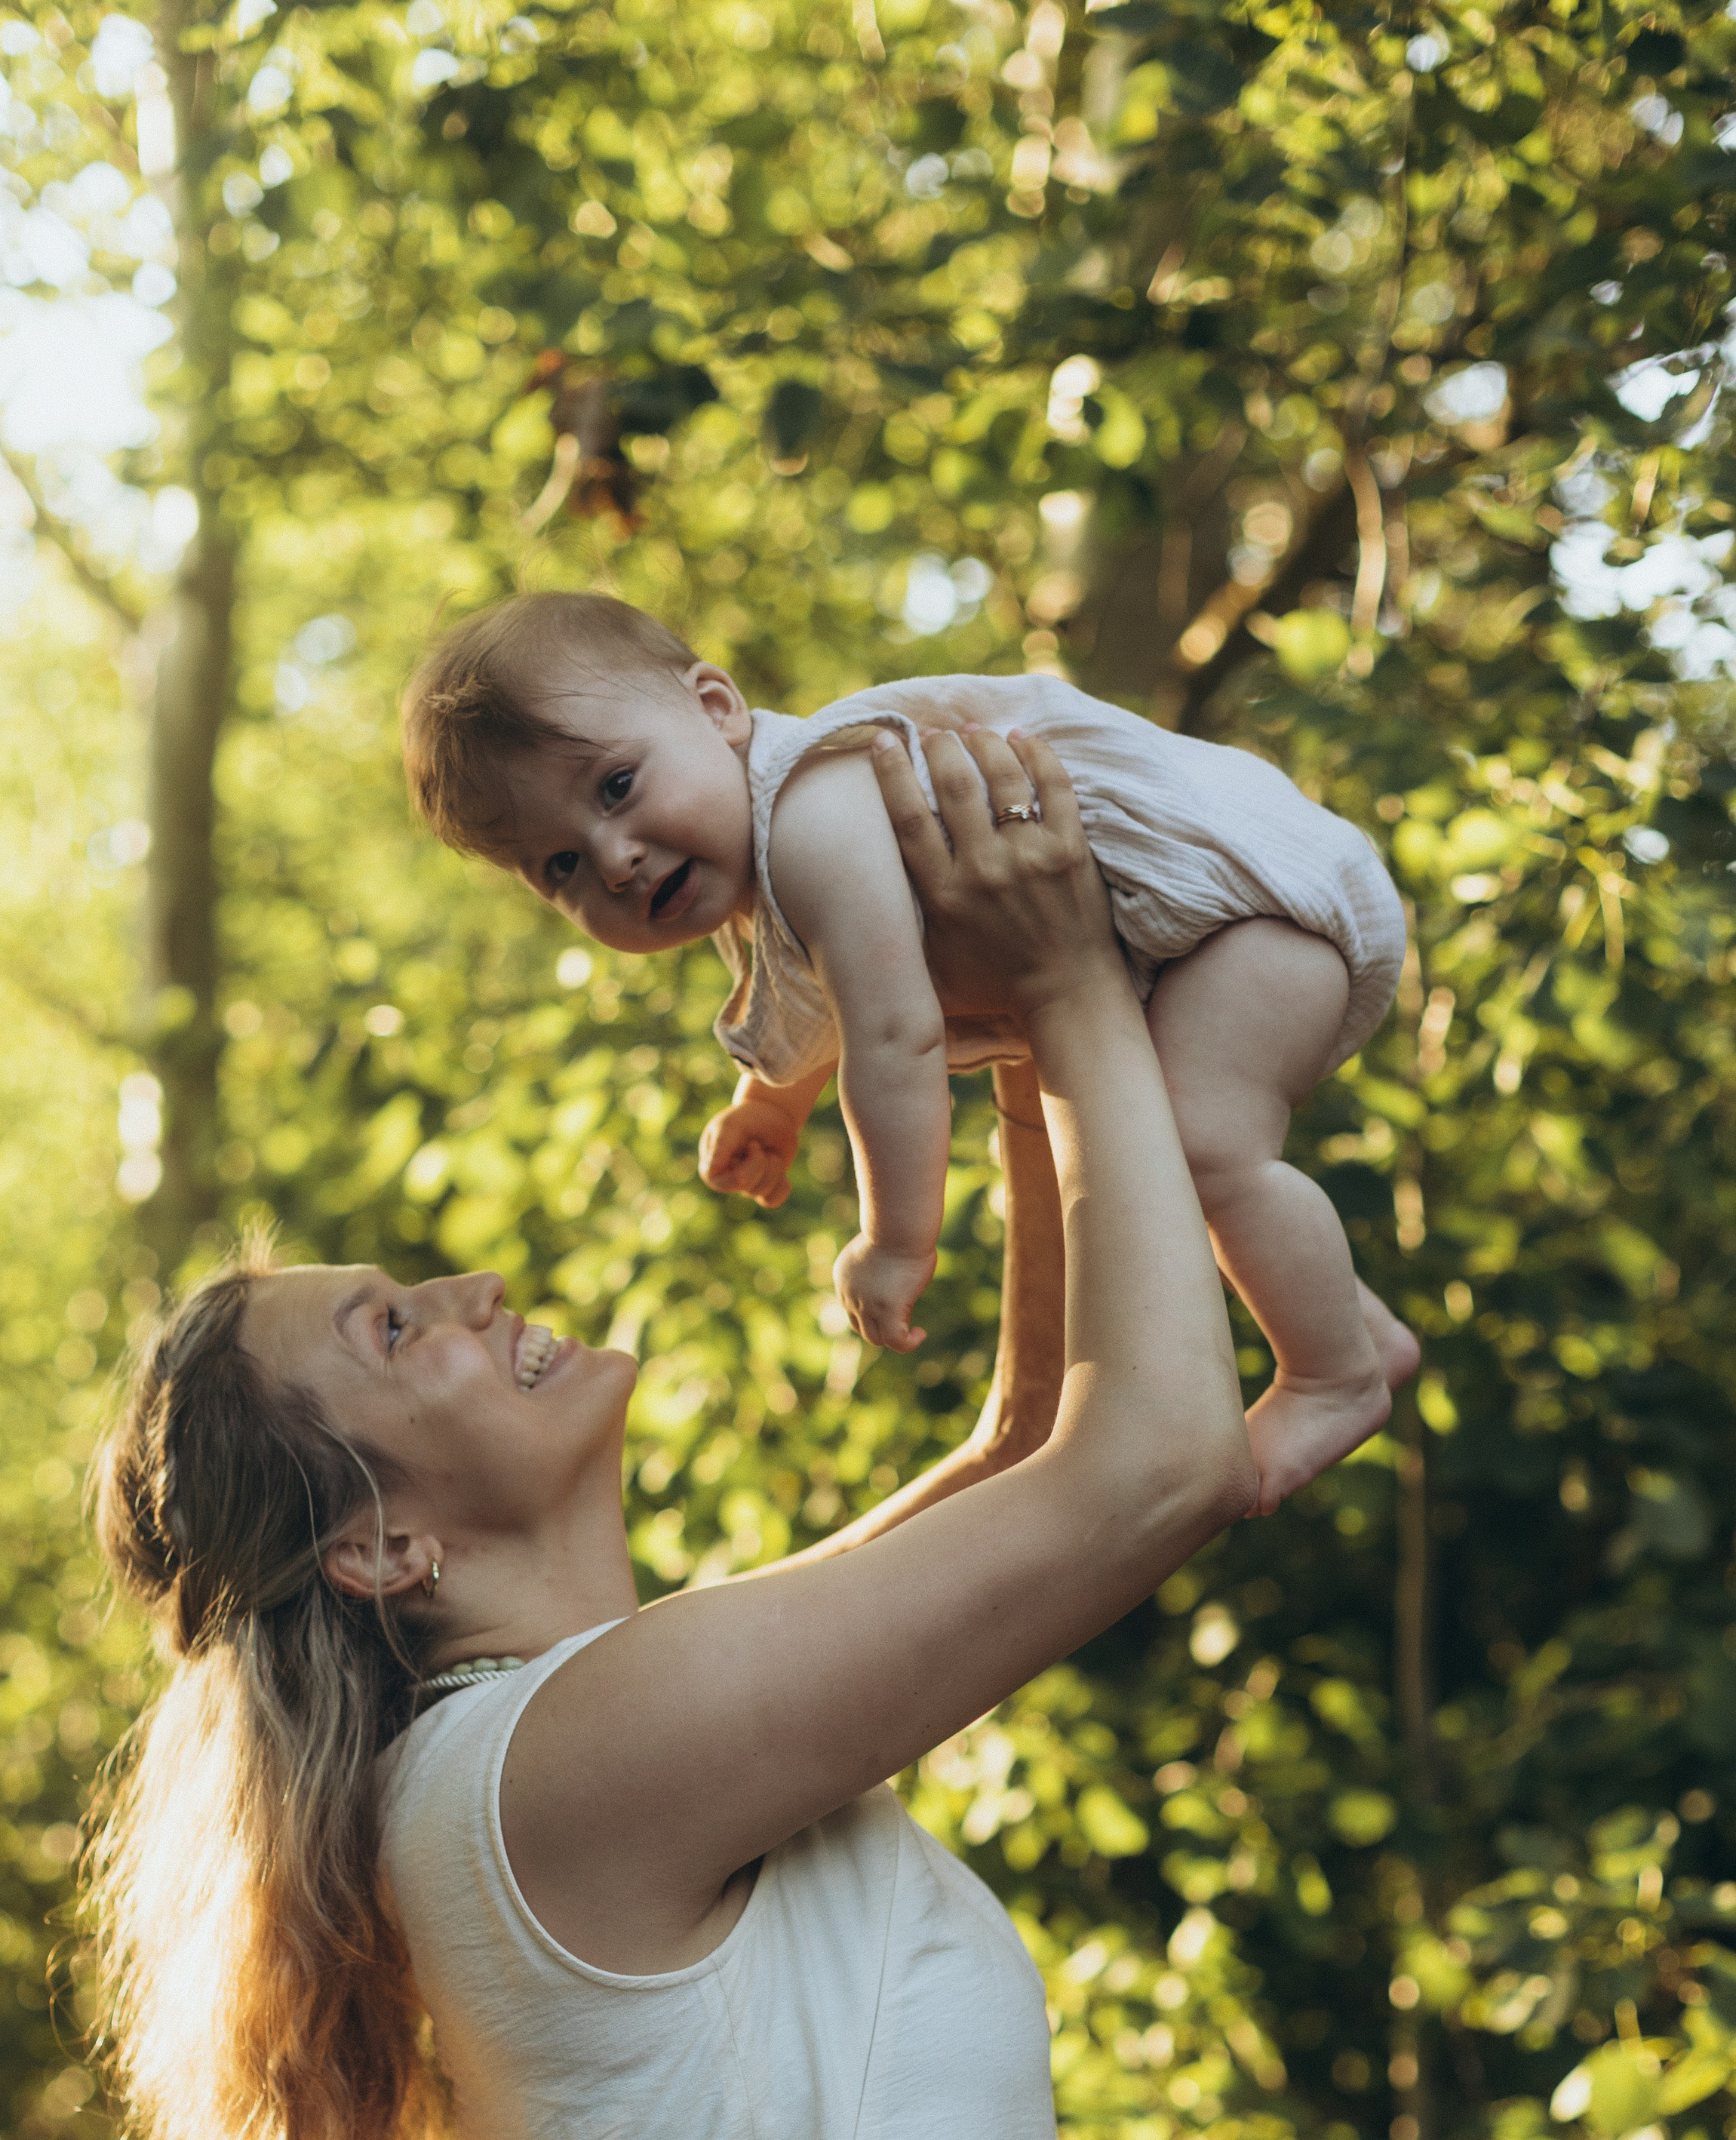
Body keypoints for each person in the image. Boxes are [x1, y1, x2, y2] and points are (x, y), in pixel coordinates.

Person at [84, 729, 1255, 2140]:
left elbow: (1028, 1444)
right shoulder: (550, 1773)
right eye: (393, 1330)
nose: (465, 1292)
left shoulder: (607, 1736)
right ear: (381, 1555)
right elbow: (1152, 1466)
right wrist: (1083, 984)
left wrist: (983, 1031)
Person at [401, 590, 1418, 1514]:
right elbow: (820, 1000)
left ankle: (1332, 1375)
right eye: (561, 864)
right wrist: (772, 1104)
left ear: (716, 708)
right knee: (1173, 1164)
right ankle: (1351, 1324)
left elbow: (892, 1033)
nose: (615, 860)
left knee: (1197, 1153)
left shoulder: (811, 811)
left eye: (617, 786)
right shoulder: (755, 856)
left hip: (1256, 912)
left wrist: (896, 1239)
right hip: (1205, 944)